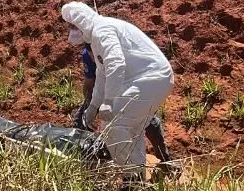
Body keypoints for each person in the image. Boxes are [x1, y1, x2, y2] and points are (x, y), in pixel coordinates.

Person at [61, 1, 175, 188]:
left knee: (113, 125)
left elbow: (116, 63)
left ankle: (133, 180)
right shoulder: (96, 38)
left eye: (73, 26)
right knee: (132, 131)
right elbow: (102, 74)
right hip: (148, 80)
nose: (72, 30)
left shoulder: (102, 30)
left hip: (151, 79)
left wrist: (109, 101)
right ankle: (135, 184)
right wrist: (93, 106)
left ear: (81, 23)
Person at [72, 42, 180, 177]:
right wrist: (91, 107)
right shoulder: (88, 54)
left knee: (149, 123)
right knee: (80, 122)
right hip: (104, 89)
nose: (94, 58)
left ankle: (165, 161)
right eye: (91, 54)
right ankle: (88, 167)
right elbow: (89, 84)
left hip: (132, 89)